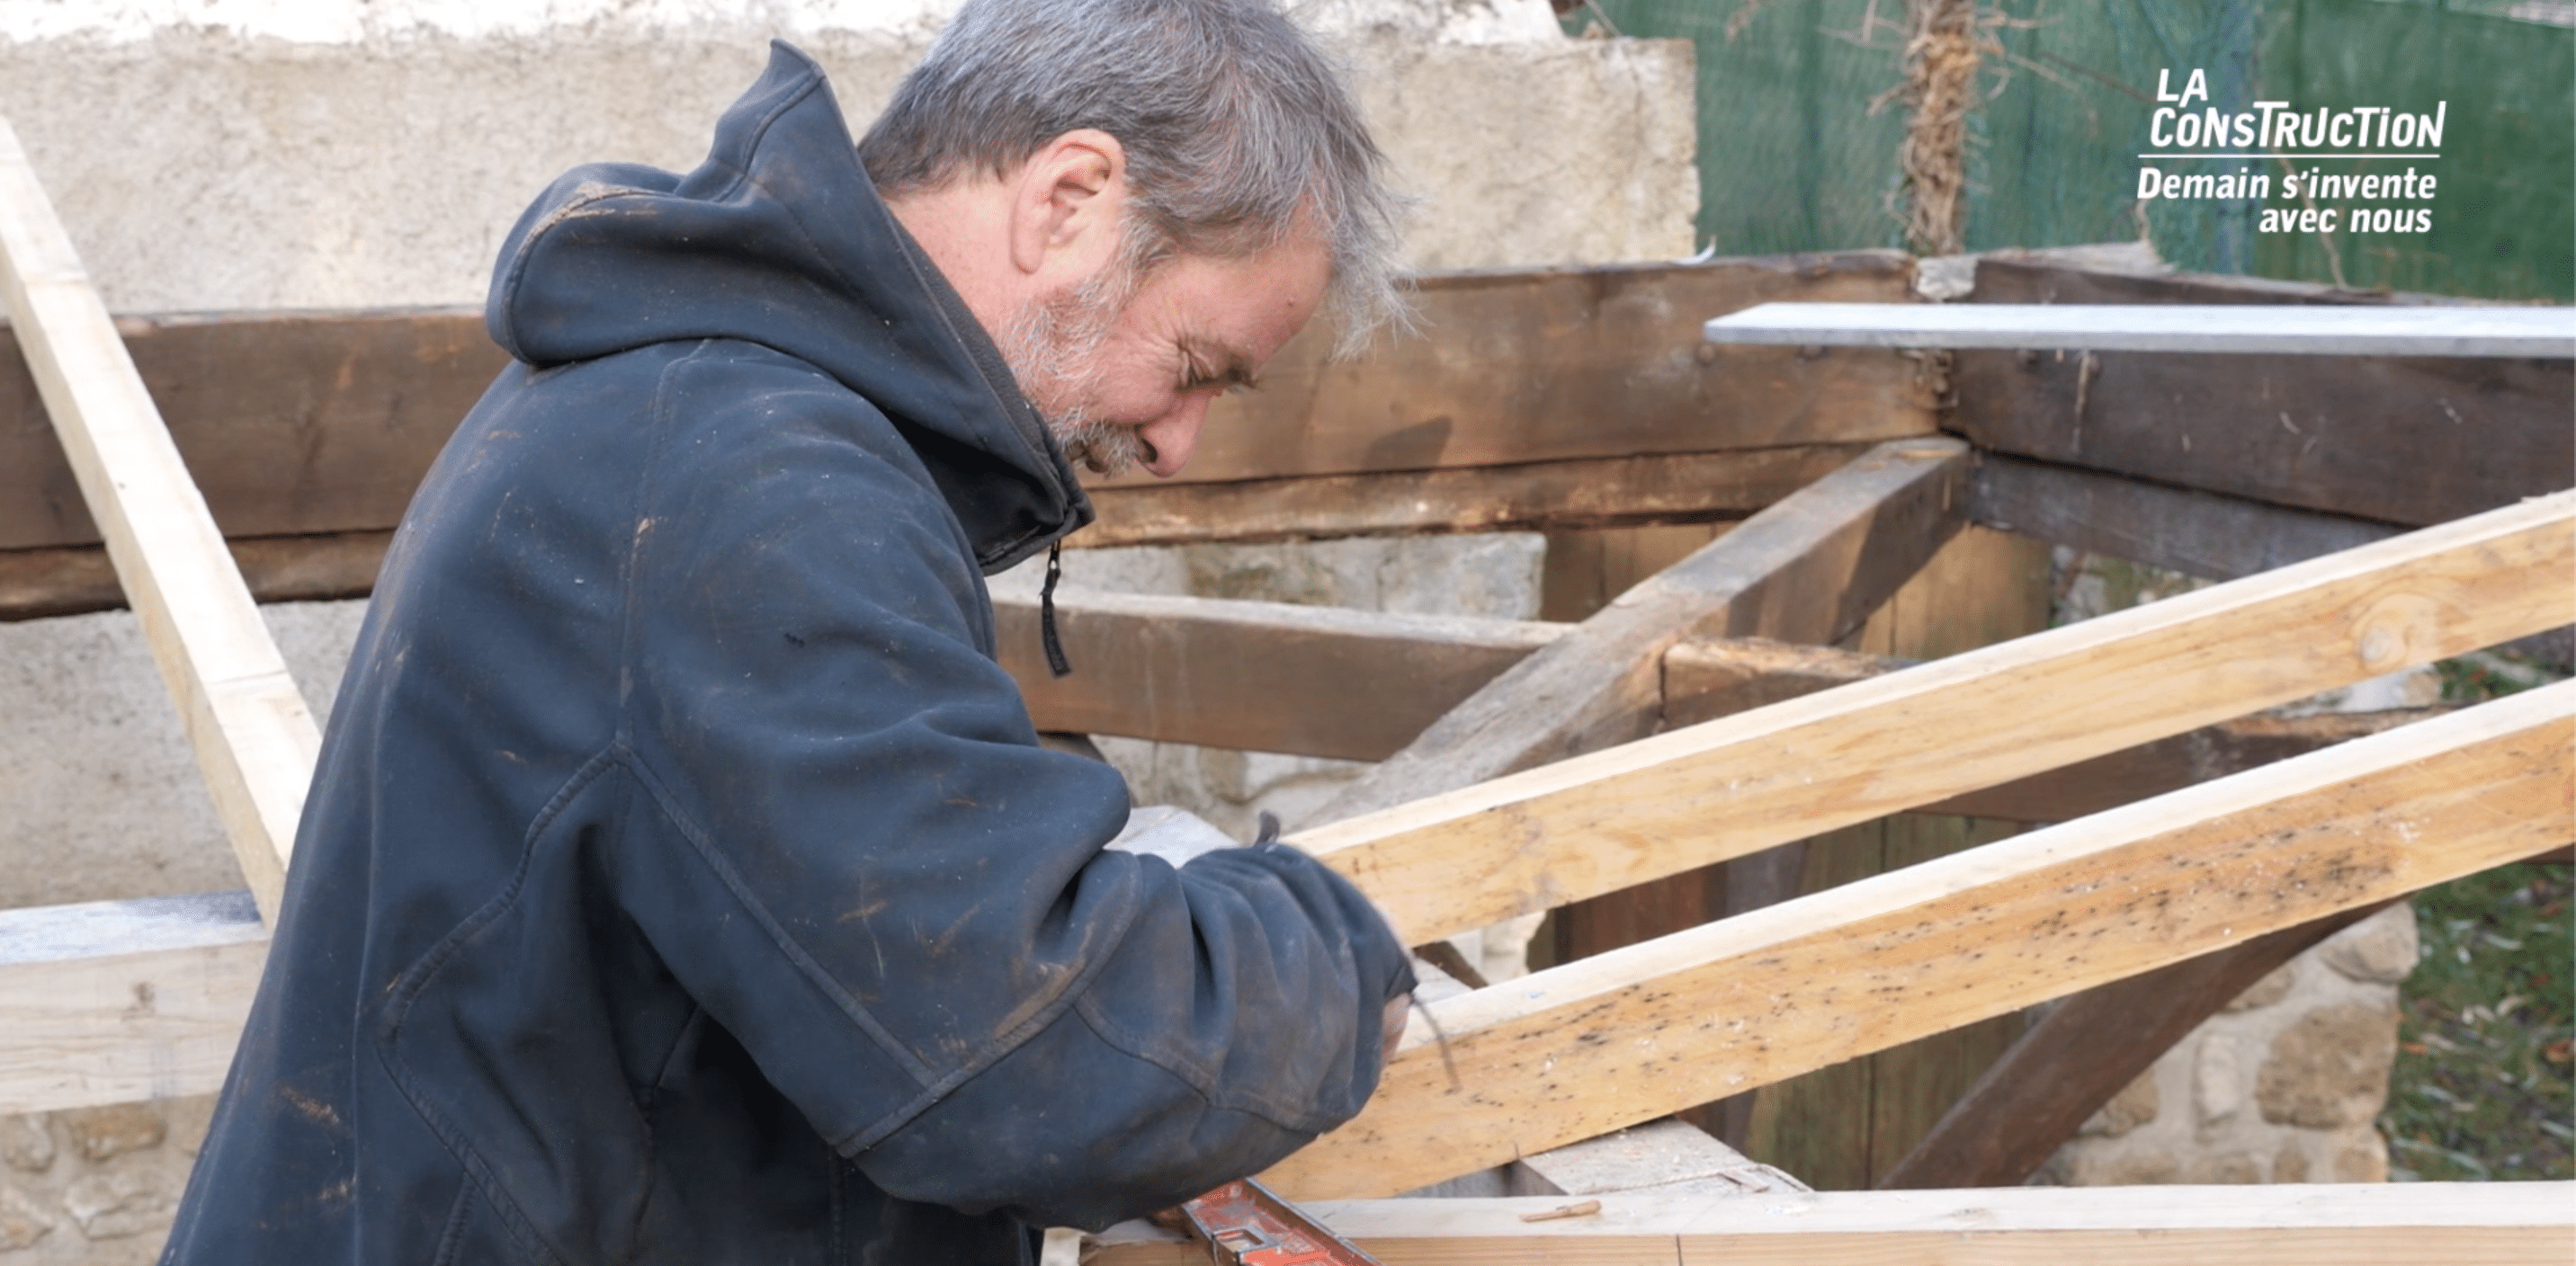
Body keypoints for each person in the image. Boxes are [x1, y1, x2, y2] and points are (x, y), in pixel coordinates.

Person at [160, 4, 1417, 1262]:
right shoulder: (754, 483)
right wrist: (1336, 953)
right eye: (1197, 364)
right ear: (1070, 198)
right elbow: (1015, 1051)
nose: (1177, 442)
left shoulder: (713, 408)